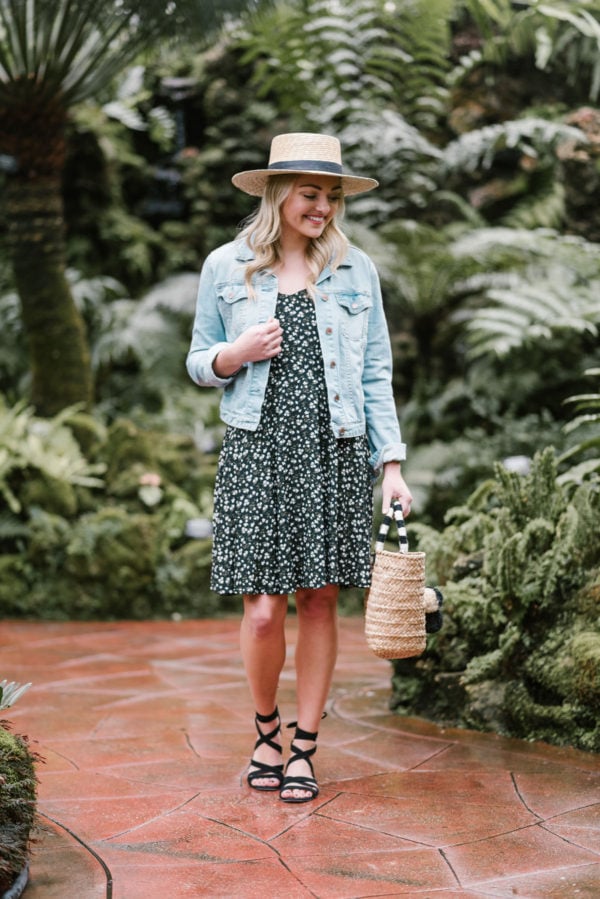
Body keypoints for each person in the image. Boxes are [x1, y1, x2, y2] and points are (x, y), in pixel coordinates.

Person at [186, 132, 412, 803]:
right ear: (280, 194)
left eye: (333, 196)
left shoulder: (355, 270)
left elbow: (375, 371)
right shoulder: (226, 267)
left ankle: (304, 748)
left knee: (319, 599)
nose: (324, 207)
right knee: (262, 613)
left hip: (335, 450)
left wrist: (391, 461)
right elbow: (200, 359)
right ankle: (265, 731)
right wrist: (236, 353)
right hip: (257, 451)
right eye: (313, 194)